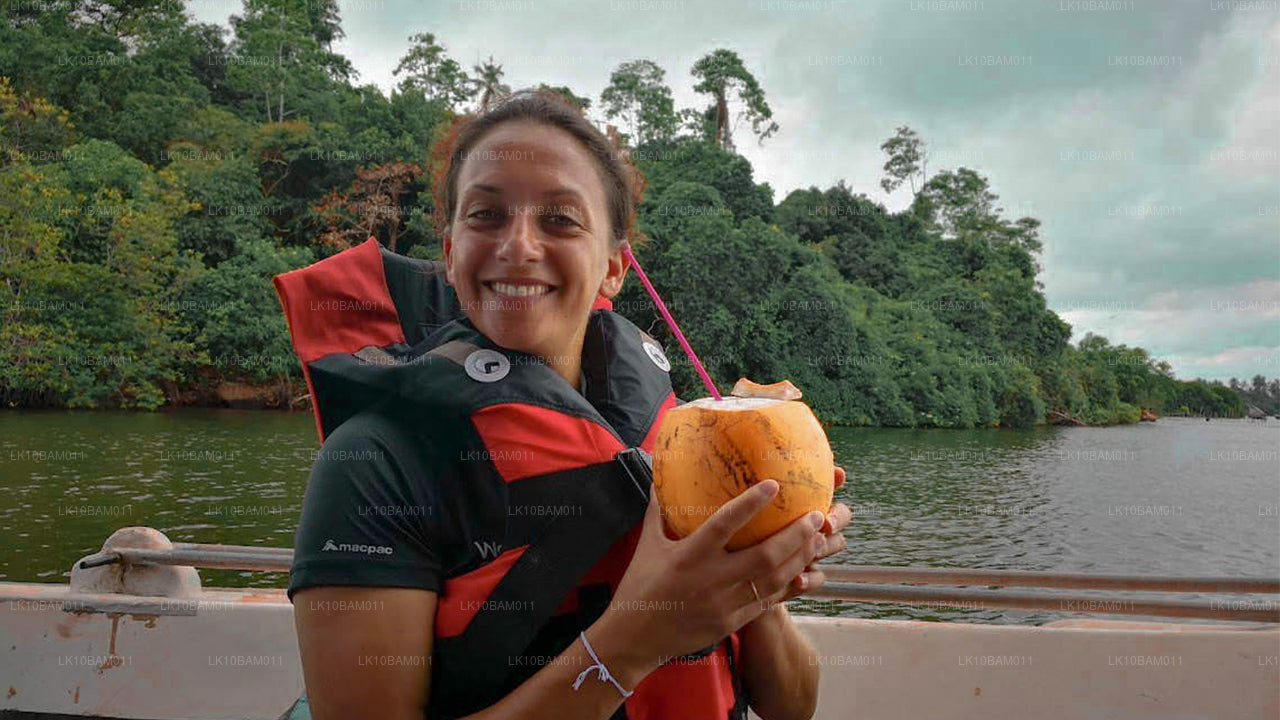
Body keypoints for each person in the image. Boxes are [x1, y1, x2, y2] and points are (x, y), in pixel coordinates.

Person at [285, 89, 853, 720]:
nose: (518, 246)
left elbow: (792, 707)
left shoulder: (687, 445)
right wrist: (638, 640)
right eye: (486, 215)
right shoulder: (373, 464)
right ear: (449, 253)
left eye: (560, 219)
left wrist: (756, 584)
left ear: (613, 268)